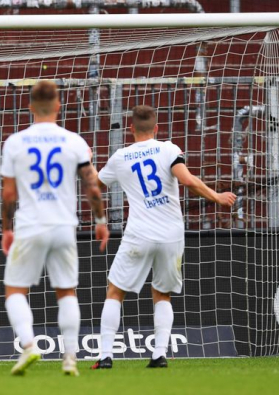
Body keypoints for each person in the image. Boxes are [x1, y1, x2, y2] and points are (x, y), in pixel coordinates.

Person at [91, 105, 236, 369]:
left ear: (130, 128)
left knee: (115, 292)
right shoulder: (169, 149)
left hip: (139, 234)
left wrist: (88, 163)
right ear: (156, 128)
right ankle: (159, 355)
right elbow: (187, 180)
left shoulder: (120, 157)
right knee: (162, 294)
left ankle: (105, 357)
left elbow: (96, 184)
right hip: (171, 234)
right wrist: (216, 196)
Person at [0, 80, 109, 376]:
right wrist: (101, 222)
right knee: (66, 292)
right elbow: (93, 188)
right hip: (63, 226)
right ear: (59, 105)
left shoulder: (15, 142)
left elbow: (9, 194)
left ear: (30, 107)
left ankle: (29, 345)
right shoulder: (73, 141)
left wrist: (6, 229)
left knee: (15, 290)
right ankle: (70, 358)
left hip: (30, 225)